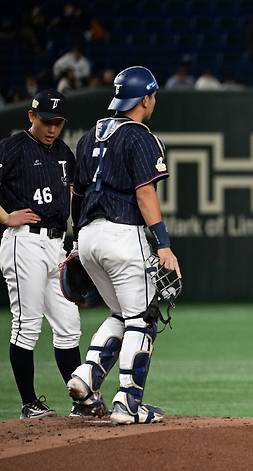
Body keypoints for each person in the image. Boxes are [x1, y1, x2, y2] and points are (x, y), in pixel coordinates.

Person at [67, 66, 181, 425]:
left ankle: (85, 377)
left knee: (121, 315)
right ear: (145, 98)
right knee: (143, 318)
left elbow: (77, 195)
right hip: (121, 234)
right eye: (153, 94)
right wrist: (163, 244)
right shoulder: (141, 137)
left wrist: (74, 242)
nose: (154, 100)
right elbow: (145, 192)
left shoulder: (88, 137)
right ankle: (128, 404)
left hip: (88, 238)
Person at [0, 90, 83, 419]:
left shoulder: (64, 152)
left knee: (69, 326)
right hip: (25, 242)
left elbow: (75, 198)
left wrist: (75, 240)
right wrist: (6, 217)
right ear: (31, 116)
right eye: (47, 121)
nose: (52, 128)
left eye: (58, 123)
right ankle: (29, 403)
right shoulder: (12, 148)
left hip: (57, 244)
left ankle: (81, 400)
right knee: (26, 326)